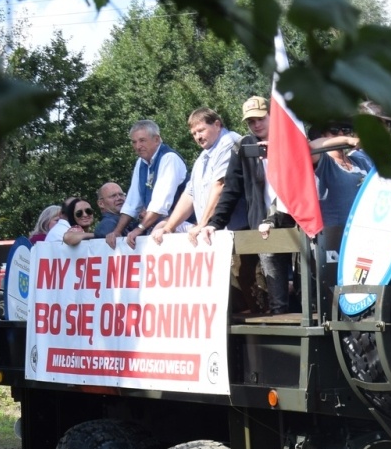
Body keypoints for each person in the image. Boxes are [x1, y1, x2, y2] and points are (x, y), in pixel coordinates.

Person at [195, 97, 296, 313]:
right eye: (251, 121)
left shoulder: (292, 141)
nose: (256, 125)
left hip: (296, 222)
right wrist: (215, 223)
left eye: (260, 118)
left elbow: (296, 185)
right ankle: (279, 329)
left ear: (272, 116)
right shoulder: (243, 146)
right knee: (276, 295)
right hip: (263, 227)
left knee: (306, 286)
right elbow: (231, 189)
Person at [152, 107, 240, 246]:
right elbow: (190, 194)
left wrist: (203, 224)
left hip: (237, 234)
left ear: (217, 125)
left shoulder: (229, 143)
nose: (198, 137)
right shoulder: (203, 157)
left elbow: (220, 186)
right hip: (214, 235)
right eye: (194, 133)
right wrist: (169, 228)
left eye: (201, 130)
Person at [106, 120, 188, 247]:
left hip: (184, 223)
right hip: (159, 225)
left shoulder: (169, 158)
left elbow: (160, 204)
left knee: (155, 232)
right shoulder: (141, 163)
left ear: (156, 139)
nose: (138, 146)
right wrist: (117, 231)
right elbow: (132, 203)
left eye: (142, 140)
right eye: (134, 142)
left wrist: (139, 229)